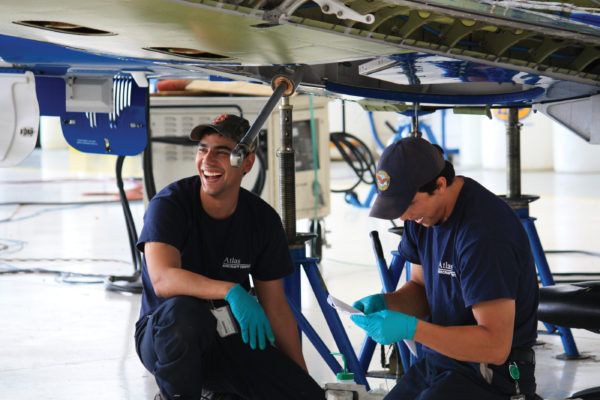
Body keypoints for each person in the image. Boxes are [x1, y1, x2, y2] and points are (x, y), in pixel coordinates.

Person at [134, 114, 325, 400]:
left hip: (225, 334)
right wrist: (231, 291)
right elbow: (163, 279)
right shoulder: (170, 204)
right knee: (186, 314)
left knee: (303, 395)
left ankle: (217, 391)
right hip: (166, 337)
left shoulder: (261, 220)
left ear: (247, 163)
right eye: (203, 149)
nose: (207, 160)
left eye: (222, 152)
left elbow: (276, 308)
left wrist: (299, 378)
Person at [351, 137, 539, 400]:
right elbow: (420, 289)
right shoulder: (422, 217)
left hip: (491, 377)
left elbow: (495, 346)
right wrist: (387, 303)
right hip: (441, 362)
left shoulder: (484, 235)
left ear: (439, 185)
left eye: (408, 205)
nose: (403, 216)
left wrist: (412, 329)